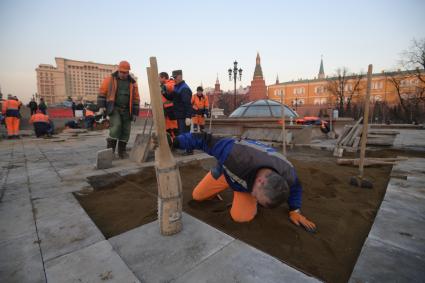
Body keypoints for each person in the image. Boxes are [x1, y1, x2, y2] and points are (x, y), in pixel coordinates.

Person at [158, 132, 316, 232]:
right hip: (227, 171)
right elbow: (203, 140)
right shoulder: (233, 154)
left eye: (258, 200)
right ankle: (225, 188)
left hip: (243, 185)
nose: (256, 198)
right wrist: (175, 141)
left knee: (241, 218)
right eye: (256, 196)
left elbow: (296, 186)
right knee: (198, 196)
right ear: (260, 181)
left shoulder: (287, 172)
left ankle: (244, 197)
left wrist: (295, 210)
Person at [98, 60, 140, 158]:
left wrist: (134, 113)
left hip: (127, 110)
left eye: (125, 72)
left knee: (126, 130)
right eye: (122, 72)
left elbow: (136, 99)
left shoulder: (133, 83)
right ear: (118, 70)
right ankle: (110, 151)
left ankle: (122, 152)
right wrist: (102, 107)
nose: (123, 74)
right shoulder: (110, 80)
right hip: (114, 108)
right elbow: (102, 93)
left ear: (128, 72)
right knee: (116, 126)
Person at [162, 70, 192, 134]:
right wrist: (163, 92)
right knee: (180, 135)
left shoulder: (184, 88)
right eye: (174, 78)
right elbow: (171, 97)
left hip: (183, 117)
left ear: (180, 76)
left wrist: (188, 117)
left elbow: (187, 104)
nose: (174, 79)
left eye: (175, 77)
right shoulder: (177, 87)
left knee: (184, 136)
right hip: (178, 116)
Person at [159, 72, 178, 138]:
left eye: (159, 78)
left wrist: (163, 87)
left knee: (173, 128)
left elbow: (171, 86)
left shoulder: (170, 83)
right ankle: (170, 143)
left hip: (171, 110)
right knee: (168, 129)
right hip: (166, 110)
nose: (158, 80)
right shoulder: (163, 85)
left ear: (164, 78)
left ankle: (176, 143)